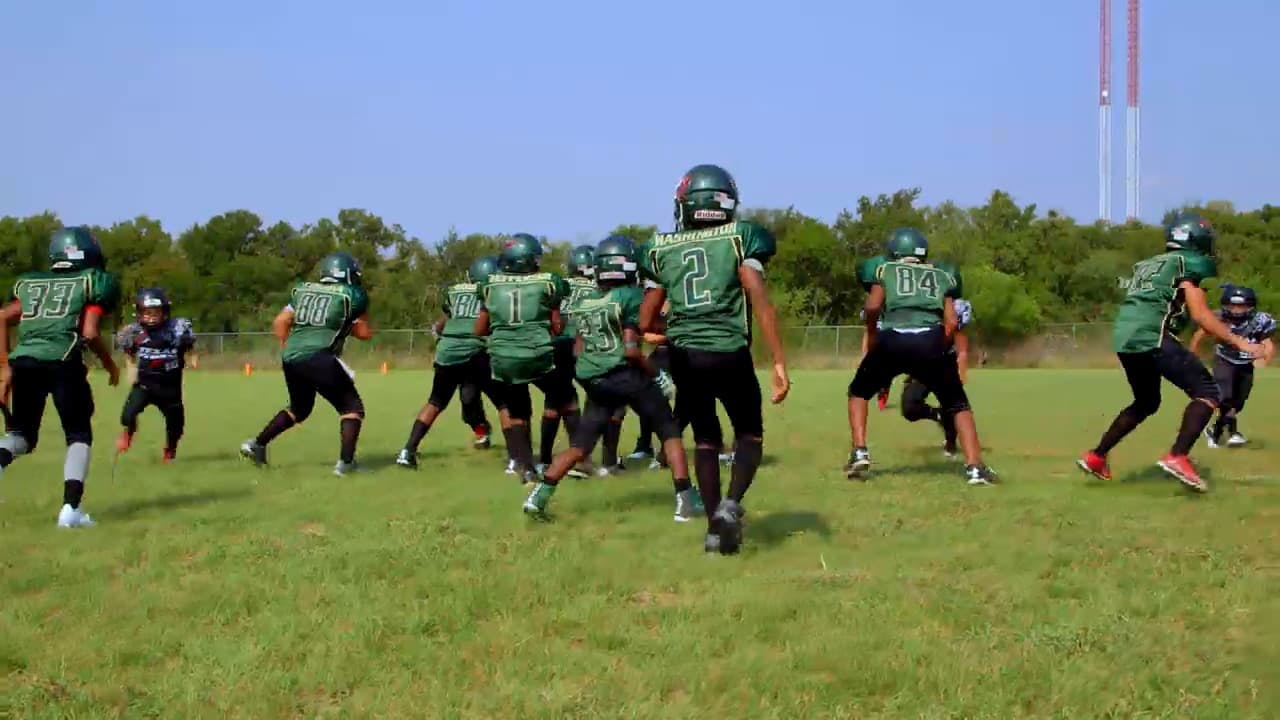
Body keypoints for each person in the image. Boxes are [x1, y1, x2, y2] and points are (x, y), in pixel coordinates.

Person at [638, 163, 790, 555]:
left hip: (685, 356)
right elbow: (756, 293)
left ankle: (713, 533)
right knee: (749, 434)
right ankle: (730, 504)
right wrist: (777, 360)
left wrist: (675, 329)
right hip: (728, 352)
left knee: (706, 439)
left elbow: (645, 320)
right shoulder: (740, 237)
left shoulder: (660, 247)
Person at [1077, 211, 1265, 491]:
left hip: (1126, 337)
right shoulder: (1187, 264)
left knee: (1146, 402)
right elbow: (1201, 315)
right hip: (1153, 334)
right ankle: (1178, 456)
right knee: (1208, 392)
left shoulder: (1149, 264)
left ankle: (1096, 456)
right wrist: (1240, 342)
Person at [523, 236, 696, 520]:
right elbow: (631, 349)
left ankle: (539, 496)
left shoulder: (586, 301)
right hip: (625, 374)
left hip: (595, 380)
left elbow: (578, 348)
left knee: (579, 447)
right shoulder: (630, 296)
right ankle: (686, 499)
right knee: (670, 431)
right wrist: (656, 374)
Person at [847, 228, 994, 485]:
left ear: (894, 250)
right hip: (931, 339)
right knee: (957, 404)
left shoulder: (885, 270)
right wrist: (939, 346)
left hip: (892, 340)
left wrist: (872, 333)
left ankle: (860, 451)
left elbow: (872, 307)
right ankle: (975, 468)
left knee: (858, 392)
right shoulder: (941, 275)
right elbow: (951, 321)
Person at [0, 227, 121, 527]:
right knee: (78, 435)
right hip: (62, 361)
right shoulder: (90, 282)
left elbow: (2, 316)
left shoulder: (32, 284)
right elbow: (90, 332)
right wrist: (110, 364)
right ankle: (70, 510)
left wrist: (4, 364)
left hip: (24, 361)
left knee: (22, 436)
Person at [240, 252, 373, 475]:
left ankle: (257, 444)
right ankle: (346, 464)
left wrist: (291, 348)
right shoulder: (352, 294)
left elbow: (281, 321)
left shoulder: (303, 290)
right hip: (319, 357)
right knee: (352, 408)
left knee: (299, 409)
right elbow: (364, 333)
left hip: (291, 357)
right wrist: (348, 325)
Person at [475, 233, 579, 484]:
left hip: (503, 358)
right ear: (528, 259)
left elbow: (479, 329)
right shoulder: (548, 282)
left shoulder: (489, 284)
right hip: (537, 354)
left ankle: (527, 469)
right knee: (567, 399)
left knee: (518, 411)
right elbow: (556, 327)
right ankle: (580, 457)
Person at [396, 256, 507, 468]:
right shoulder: (492, 291)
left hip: (448, 353)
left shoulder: (454, 291)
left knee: (436, 402)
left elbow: (445, 320)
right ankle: (516, 458)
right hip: (476, 351)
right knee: (503, 402)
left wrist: (438, 333)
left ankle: (407, 451)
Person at [116, 288, 196, 462]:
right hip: (145, 383)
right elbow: (129, 353)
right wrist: (131, 369)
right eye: (147, 313)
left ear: (165, 312)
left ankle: (170, 449)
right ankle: (129, 431)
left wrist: (191, 358)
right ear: (139, 313)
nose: (151, 317)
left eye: (155, 313)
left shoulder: (176, 329)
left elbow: (188, 346)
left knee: (176, 425)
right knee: (127, 415)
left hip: (170, 386)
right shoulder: (134, 332)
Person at [1190, 284, 1274, 448]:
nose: (1236, 310)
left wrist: (1265, 358)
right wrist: (1192, 354)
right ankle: (1229, 432)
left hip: (1246, 363)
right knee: (1225, 396)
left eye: (1241, 306)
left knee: (1238, 402)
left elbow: (1267, 342)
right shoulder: (1218, 318)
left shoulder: (1260, 320)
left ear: (1250, 305)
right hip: (1224, 360)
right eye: (1233, 305)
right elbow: (1200, 334)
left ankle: (1217, 431)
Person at [540, 243, 598, 476]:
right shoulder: (598, 285)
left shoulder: (559, 284)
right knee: (602, 400)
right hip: (586, 347)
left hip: (557, 345)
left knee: (555, 401)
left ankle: (545, 458)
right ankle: (592, 459)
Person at [899, 297, 973, 457]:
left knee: (953, 407)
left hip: (945, 372)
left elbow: (962, 354)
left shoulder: (959, 336)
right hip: (924, 371)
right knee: (909, 408)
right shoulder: (930, 327)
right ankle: (938, 415)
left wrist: (960, 377)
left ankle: (951, 442)